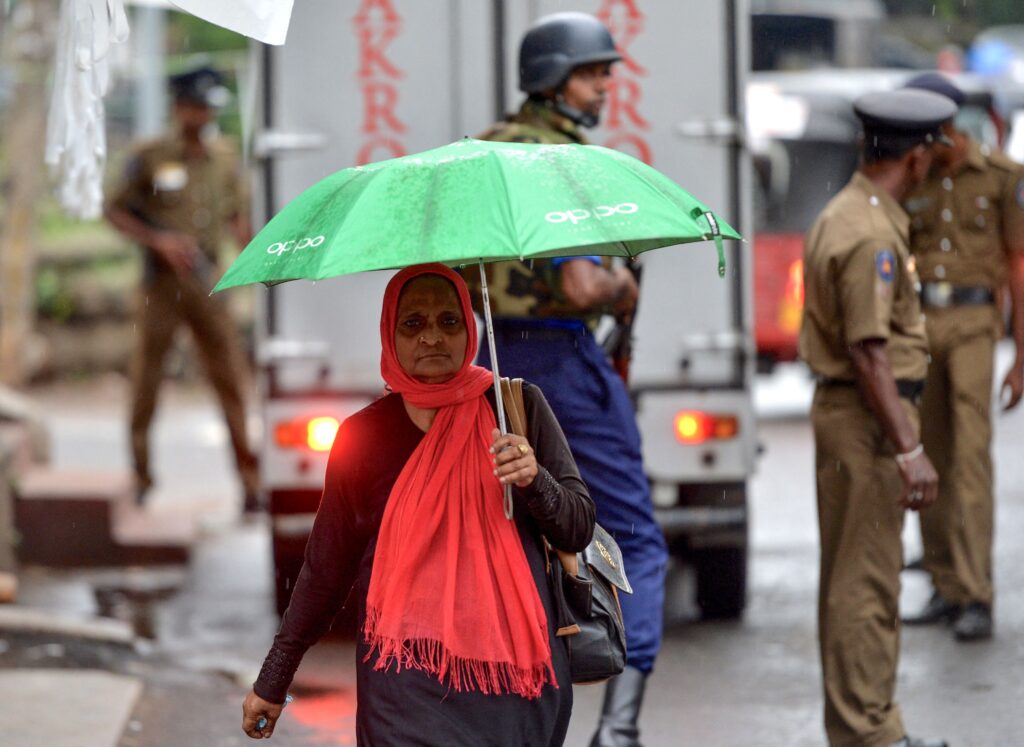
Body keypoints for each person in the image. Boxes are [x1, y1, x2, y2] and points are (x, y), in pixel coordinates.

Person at [241, 264, 595, 745]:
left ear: (471, 328)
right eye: (414, 323)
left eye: (449, 321)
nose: (432, 337)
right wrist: (274, 680)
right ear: (390, 333)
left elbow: (578, 529)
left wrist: (535, 480)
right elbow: (325, 571)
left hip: (513, 685)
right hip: (404, 684)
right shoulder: (362, 437)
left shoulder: (517, 409)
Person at [470, 12, 667, 746]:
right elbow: (583, 287)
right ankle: (618, 728)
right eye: (592, 74)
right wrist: (622, 286)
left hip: (491, 364)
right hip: (561, 361)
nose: (605, 87)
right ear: (552, 80)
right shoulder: (559, 162)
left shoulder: (486, 150)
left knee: (510, 544)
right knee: (637, 540)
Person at [799, 88, 957, 747]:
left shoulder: (855, 210)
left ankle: (868, 724)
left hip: (855, 415)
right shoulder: (868, 232)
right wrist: (908, 446)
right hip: (864, 420)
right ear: (916, 158)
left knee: (858, 575)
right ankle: (870, 733)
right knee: (864, 581)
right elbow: (869, 350)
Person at [899, 72, 1024, 642]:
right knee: (929, 456)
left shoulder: (1002, 178)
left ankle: (976, 594)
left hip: (975, 324)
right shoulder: (912, 177)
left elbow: (1018, 266)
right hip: (922, 324)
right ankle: (946, 585)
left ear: (949, 125)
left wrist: (1020, 356)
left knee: (971, 464)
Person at [104, 65, 260, 510]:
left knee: (230, 379)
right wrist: (158, 241)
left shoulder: (225, 158)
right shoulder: (150, 155)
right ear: (179, 107)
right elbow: (114, 209)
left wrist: (252, 252)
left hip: (209, 283)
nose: (204, 115)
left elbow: (236, 218)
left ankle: (249, 483)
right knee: (146, 383)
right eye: (197, 106)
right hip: (161, 287)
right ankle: (141, 476)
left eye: (209, 106)